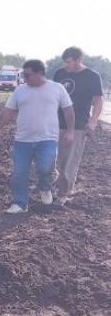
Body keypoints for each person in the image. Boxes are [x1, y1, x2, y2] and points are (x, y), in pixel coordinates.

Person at [0, 59, 75, 214]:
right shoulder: (20, 90)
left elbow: (68, 111)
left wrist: (70, 131)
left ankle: (45, 188)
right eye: (23, 75)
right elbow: (8, 111)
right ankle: (20, 203)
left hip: (47, 139)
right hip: (22, 140)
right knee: (20, 172)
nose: (24, 78)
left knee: (45, 169)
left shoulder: (57, 88)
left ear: (40, 74)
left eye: (28, 75)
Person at [51, 46, 105, 208]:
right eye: (64, 61)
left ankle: (62, 195)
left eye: (69, 62)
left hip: (78, 124)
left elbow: (98, 101)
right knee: (49, 157)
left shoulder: (91, 76)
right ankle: (54, 179)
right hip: (55, 121)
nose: (66, 65)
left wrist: (93, 121)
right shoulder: (59, 74)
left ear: (78, 60)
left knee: (69, 160)